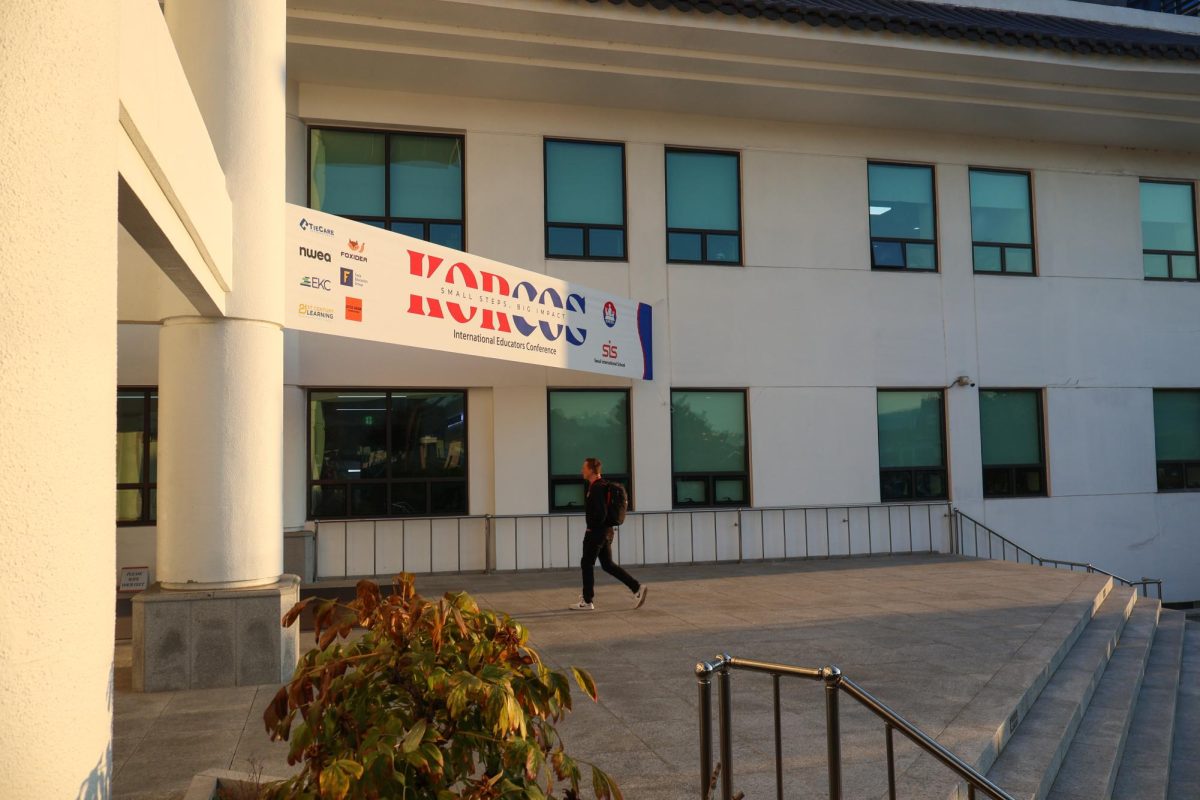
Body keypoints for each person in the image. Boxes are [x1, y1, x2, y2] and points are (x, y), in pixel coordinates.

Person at [569, 457, 648, 611]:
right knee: (607, 564)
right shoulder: (602, 485)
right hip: (607, 531)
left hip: (596, 532)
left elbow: (601, 513)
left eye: (584, 468)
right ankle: (637, 588)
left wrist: (592, 528)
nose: (581, 470)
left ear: (591, 470)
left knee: (586, 563)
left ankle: (587, 600)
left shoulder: (596, 488)